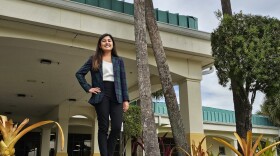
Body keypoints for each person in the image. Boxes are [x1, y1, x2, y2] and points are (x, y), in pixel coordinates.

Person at [75, 33, 129, 156]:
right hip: (101, 94)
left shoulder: (119, 61)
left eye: (109, 40)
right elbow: (79, 74)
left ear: (112, 44)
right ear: (100, 44)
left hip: (117, 95)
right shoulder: (93, 59)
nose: (107, 42)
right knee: (103, 127)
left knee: (116, 127)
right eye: (104, 41)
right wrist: (89, 88)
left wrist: (126, 100)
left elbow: (123, 81)